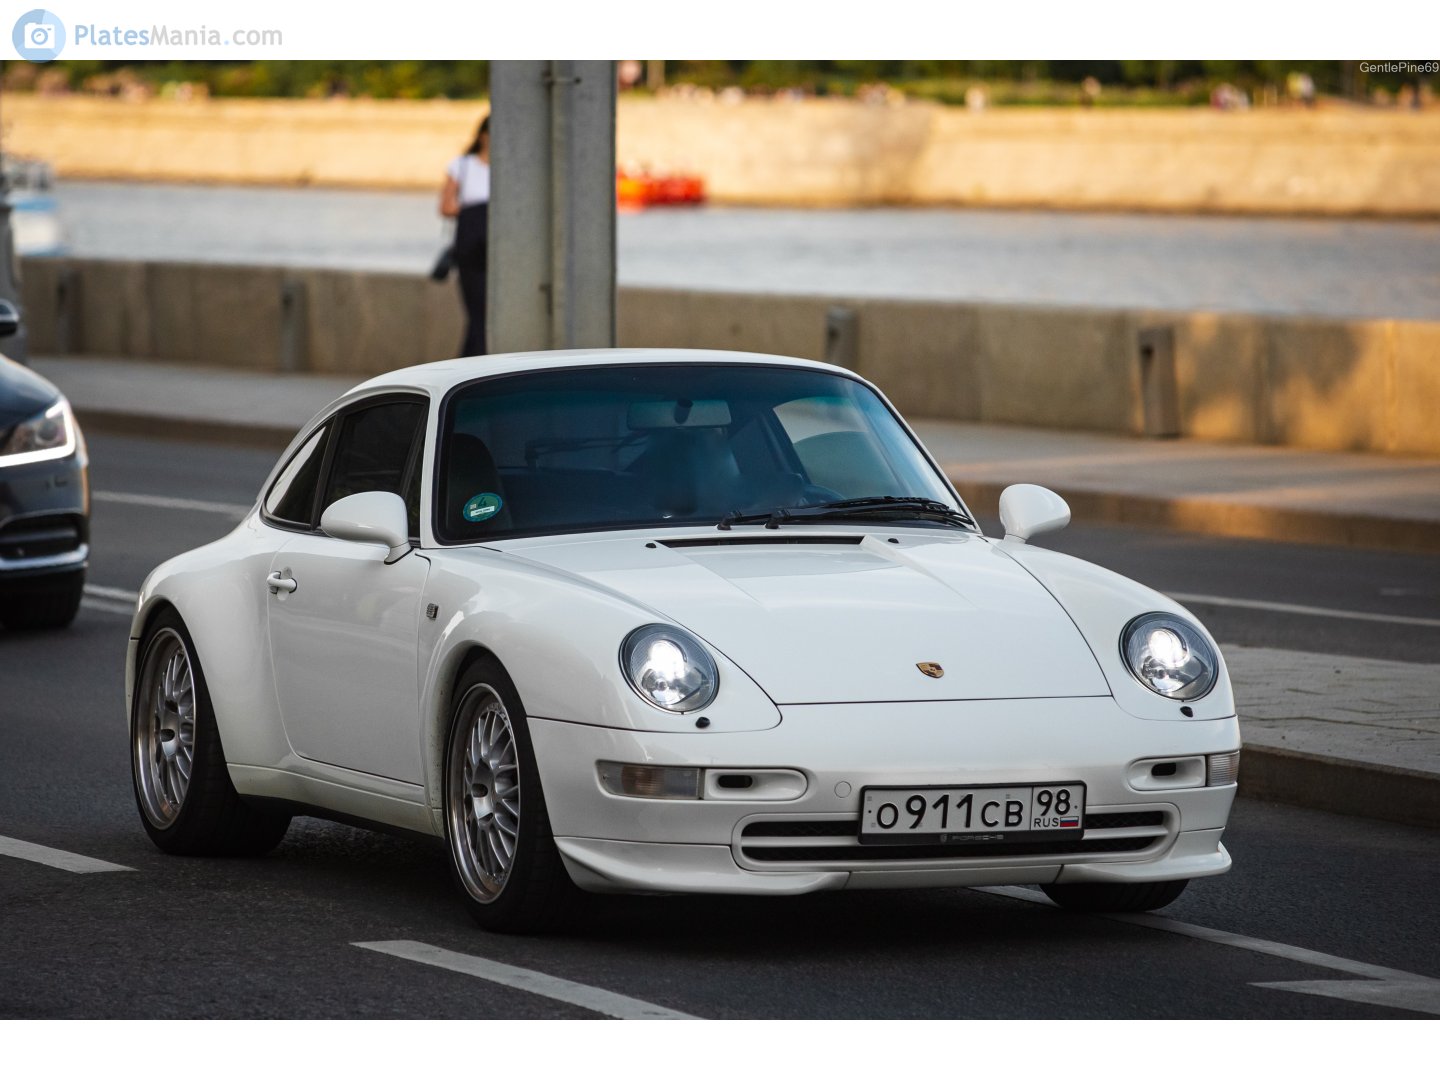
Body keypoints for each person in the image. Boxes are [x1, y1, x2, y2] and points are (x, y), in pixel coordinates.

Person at [440, 116, 490, 356]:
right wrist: (476, 212)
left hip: (499, 247)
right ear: (483, 136)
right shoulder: (462, 165)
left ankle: (471, 362)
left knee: (488, 311)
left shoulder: (511, 169)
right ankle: (472, 361)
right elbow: (446, 206)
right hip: (471, 246)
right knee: (477, 309)